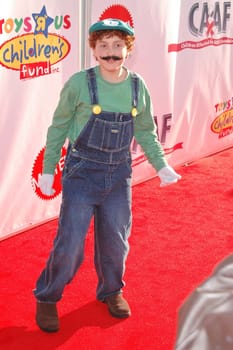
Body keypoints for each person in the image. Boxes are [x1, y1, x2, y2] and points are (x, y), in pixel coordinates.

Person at [34, 18, 181, 332]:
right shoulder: (78, 83)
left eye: (118, 46)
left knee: (116, 240)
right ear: (94, 49)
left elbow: (145, 131)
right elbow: (58, 127)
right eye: (104, 46)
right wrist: (48, 169)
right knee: (71, 242)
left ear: (128, 50)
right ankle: (48, 296)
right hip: (81, 173)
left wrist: (162, 165)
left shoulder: (137, 86)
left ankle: (112, 291)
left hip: (118, 176)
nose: (111, 52)